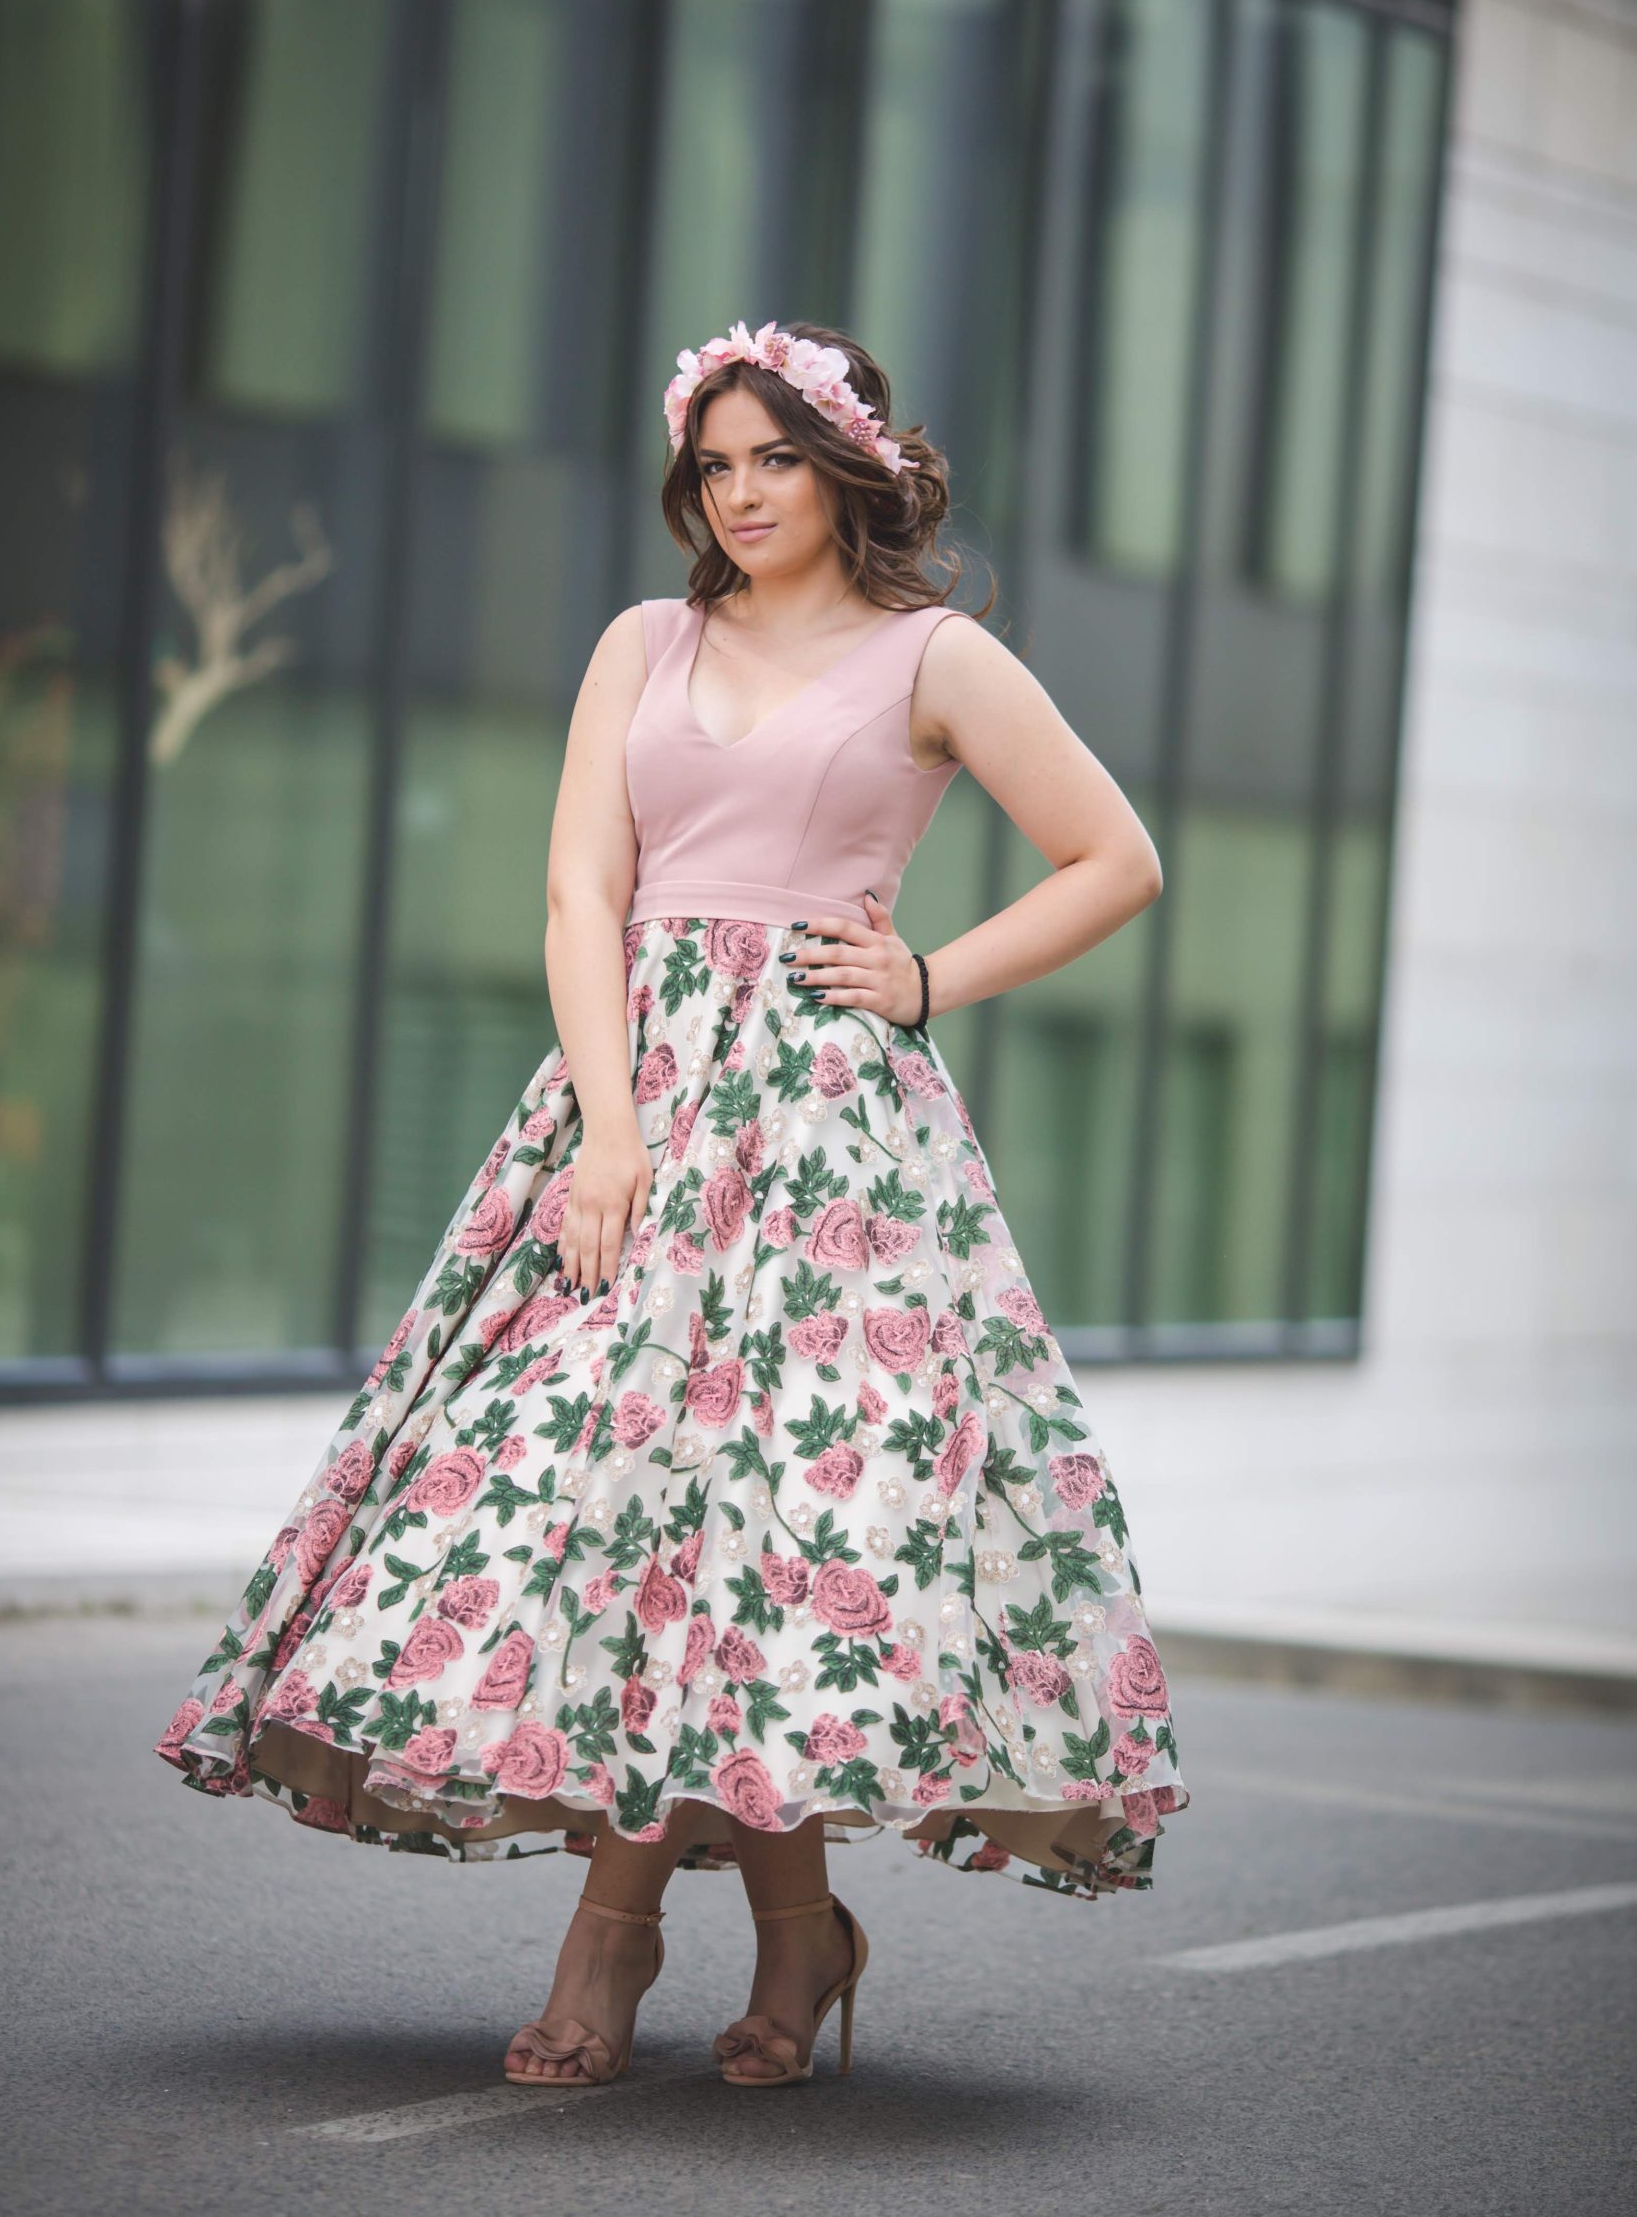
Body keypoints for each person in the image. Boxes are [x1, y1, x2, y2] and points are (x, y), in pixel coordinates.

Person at [155, 316, 1189, 2090]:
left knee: (759, 1542)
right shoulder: (646, 640)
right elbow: (579, 891)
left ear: (845, 461)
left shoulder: (938, 656)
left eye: (773, 456)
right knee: (619, 1510)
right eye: (713, 464)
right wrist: (610, 1133)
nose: (739, 493)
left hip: (832, 1157)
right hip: (626, 1113)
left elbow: (1120, 861)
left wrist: (930, 979)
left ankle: (628, 1942)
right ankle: (790, 1932)